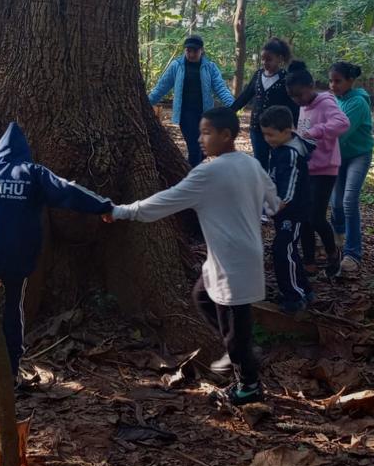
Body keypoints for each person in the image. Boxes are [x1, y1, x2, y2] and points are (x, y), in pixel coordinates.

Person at [108, 107, 279, 406]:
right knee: (202, 296)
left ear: (226, 135)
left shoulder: (208, 173)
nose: (200, 139)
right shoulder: (250, 164)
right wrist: (269, 206)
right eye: (200, 132)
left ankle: (248, 385)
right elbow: (272, 198)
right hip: (235, 256)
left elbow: (165, 202)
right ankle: (243, 352)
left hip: (232, 261)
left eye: (206, 133)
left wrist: (121, 211)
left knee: (234, 327)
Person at [0, 122, 113, 386]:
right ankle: (10, 370)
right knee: (13, 307)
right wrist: (103, 206)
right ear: (24, 151)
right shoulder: (34, 172)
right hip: (19, 253)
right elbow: (67, 191)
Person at [287, 68, 349, 278]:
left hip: (325, 169)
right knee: (304, 217)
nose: (297, 100)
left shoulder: (326, 102)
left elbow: (342, 123)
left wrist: (315, 131)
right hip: (307, 168)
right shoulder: (303, 106)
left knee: (315, 217)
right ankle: (309, 262)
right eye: (293, 96)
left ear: (311, 86)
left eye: (299, 94)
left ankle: (333, 253)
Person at [260, 106, 316, 312]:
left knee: (282, 249)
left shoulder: (291, 154)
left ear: (286, 131)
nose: (267, 139)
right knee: (288, 250)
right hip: (283, 212)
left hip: (293, 213)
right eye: (264, 134)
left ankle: (294, 297)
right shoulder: (279, 149)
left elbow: (288, 190)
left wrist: (273, 207)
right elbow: (273, 178)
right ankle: (303, 290)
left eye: (270, 134)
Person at [148, 35, 235, 167]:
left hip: (205, 115)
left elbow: (220, 87)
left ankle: (196, 172)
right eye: (189, 50)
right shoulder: (177, 66)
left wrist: (233, 105)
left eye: (195, 51)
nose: (192, 54)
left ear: (202, 50)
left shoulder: (210, 67)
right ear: (185, 50)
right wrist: (147, 102)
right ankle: (193, 174)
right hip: (186, 114)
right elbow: (162, 87)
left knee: (203, 148)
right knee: (194, 147)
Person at [328, 61, 374, 273]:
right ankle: (338, 235)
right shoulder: (332, 100)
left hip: (358, 155)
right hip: (338, 155)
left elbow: (340, 133)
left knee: (348, 200)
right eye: (331, 81)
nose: (333, 85)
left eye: (338, 81)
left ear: (350, 81)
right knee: (336, 202)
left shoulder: (358, 103)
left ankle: (353, 253)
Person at [231, 37, 304, 170]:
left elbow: (293, 105)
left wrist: (295, 128)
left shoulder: (285, 78)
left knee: (278, 162)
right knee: (260, 162)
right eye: (263, 59)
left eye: (269, 59)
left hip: (278, 129)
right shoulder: (258, 75)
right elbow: (245, 96)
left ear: (279, 59)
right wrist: (230, 111)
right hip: (256, 127)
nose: (265, 62)